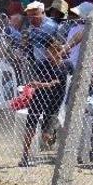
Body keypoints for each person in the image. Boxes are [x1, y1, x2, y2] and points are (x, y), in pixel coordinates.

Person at [19, 38, 71, 167]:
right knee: (30, 128)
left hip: (54, 103)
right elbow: (33, 83)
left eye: (54, 52)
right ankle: (24, 156)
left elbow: (70, 81)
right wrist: (47, 84)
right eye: (49, 52)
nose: (51, 55)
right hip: (38, 99)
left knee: (45, 135)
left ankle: (53, 138)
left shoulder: (66, 66)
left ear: (60, 52)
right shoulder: (42, 64)